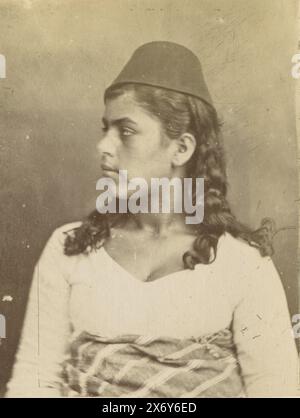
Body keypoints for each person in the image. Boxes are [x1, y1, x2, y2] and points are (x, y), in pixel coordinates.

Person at [6, 41, 299, 398]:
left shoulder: (242, 263)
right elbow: (34, 382)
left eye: (125, 131)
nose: (104, 146)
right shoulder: (69, 248)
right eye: (105, 129)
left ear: (181, 148)